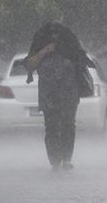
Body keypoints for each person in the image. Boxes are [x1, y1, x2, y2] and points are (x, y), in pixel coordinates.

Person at [25, 22, 92, 171]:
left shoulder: (70, 43)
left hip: (69, 91)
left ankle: (66, 160)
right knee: (51, 126)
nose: (54, 35)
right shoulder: (40, 42)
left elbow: (80, 61)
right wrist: (45, 51)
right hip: (48, 92)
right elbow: (30, 64)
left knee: (68, 123)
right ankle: (55, 162)